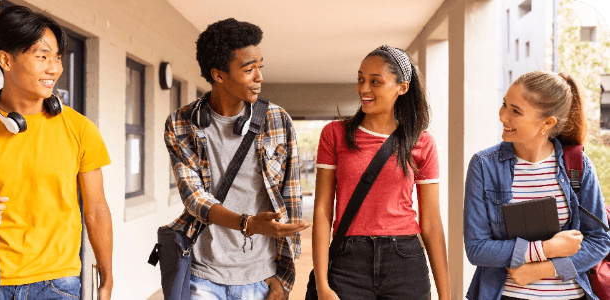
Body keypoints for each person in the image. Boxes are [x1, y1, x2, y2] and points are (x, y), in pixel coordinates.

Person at [0, 5, 113, 300]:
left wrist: (106, 279)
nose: (54, 68)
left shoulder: (80, 129)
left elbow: (96, 211)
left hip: (58, 284)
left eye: (57, 57)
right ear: (6, 60)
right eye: (41, 56)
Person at [163, 18, 310, 300]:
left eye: (260, 67)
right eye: (248, 69)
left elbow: (291, 198)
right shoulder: (181, 123)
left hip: (260, 278)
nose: (259, 77)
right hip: (202, 276)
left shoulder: (277, 120)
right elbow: (194, 198)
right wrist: (249, 224)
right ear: (218, 75)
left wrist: (284, 279)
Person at [311, 45, 451, 300]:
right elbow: (322, 210)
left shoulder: (422, 141)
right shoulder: (335, 134)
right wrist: (322, 284)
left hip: (406, 261)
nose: (364, 88)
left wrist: (446, 295)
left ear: (402, 87)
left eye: (375, 81)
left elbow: (431, 222)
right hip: (347, 262)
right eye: (361, 79)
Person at [463, 71, 610, 299]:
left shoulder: (578, 166)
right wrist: (546, 249)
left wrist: (543, 269)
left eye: (515, 111)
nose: (503, 116)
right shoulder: (484, 166)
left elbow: (599, 241)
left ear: (547, 123)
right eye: (504, 105)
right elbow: (477, 249)